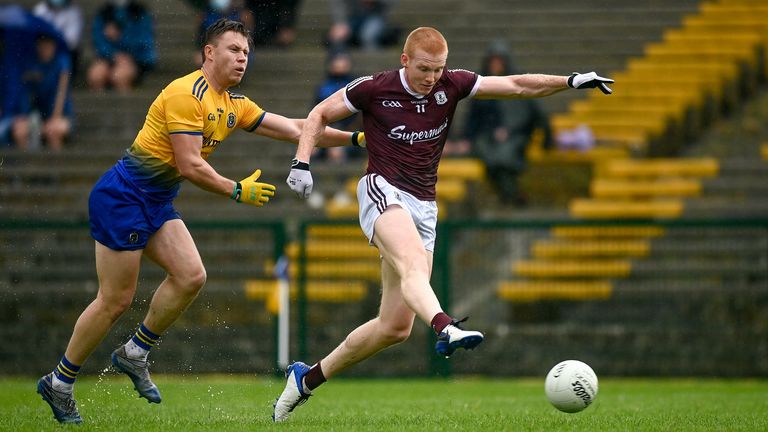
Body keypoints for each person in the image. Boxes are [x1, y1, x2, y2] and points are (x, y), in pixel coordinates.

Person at [273, 26, 612, 422]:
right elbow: (318, 114)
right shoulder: (373, 87)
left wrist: (570, 81)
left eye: (438, 69)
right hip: (383, 189)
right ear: (404, 60)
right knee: (414, 265)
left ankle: (306, 378)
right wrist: (301, 161)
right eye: (424, 69)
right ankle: (445, 326)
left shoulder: (453, 84)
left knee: (394, 328)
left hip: (424, 205)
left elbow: (517, 85)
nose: (432, 77)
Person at [36, 19, 363, 425]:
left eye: (246, 52)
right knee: (116, 300)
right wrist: (236, 190)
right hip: (122, 198)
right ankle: (60, 381)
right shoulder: (186, 94)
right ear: (209, 52)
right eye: (233, 50)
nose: (242, 59)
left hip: (155, 201)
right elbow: (190, 164)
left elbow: (301, 128)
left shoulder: (234, 104)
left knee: (191, 275)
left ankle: (135, 352)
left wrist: (357, 139)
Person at [462, 44, 554, 205]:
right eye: (493, 62)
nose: (495, 66)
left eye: (499, 62)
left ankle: (509, 197)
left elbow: (533, 114)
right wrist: (468, 137)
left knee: (502, 157)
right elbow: (473, 119)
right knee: (493, 156)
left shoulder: (518, 85)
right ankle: (513, 195)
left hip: (516, 136)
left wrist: (546, 139)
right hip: (488, 138)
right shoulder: (480, 87)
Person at [13, 33, 74, 151]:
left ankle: (56, 161)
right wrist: (24, 116)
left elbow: (61, 92)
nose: (45, 48)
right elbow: (26, 94)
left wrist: (55, 116)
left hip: (61, 114)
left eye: (48, 44)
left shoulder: (62, 60)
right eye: (41, 44)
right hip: (36, 116)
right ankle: (27, 161)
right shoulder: (32, 63)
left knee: (54, 130)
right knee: (20, 131)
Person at [86, 0, 156, 92]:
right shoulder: (103, 13)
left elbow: (144, 41)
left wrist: (121, 38)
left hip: (136, 59)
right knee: (96, 75)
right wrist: (113, 55)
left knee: (120, 76)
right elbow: (98, 41)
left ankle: (125, 99)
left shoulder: (140, 13)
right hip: (109, 57)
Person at [32, 0, 84, 79]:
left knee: (65, 60)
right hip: (41, 47)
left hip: (63, 51)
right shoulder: (40, 9)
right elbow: (34, 32)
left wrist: (53, 45)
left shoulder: (74, 12)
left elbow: (72, 41)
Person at [325, 0, 400, 51]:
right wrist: (340, 22)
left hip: (376, 16)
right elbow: (338, 4)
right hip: (352, 17)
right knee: (337, 37)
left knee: (368, 36)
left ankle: (372, 62)